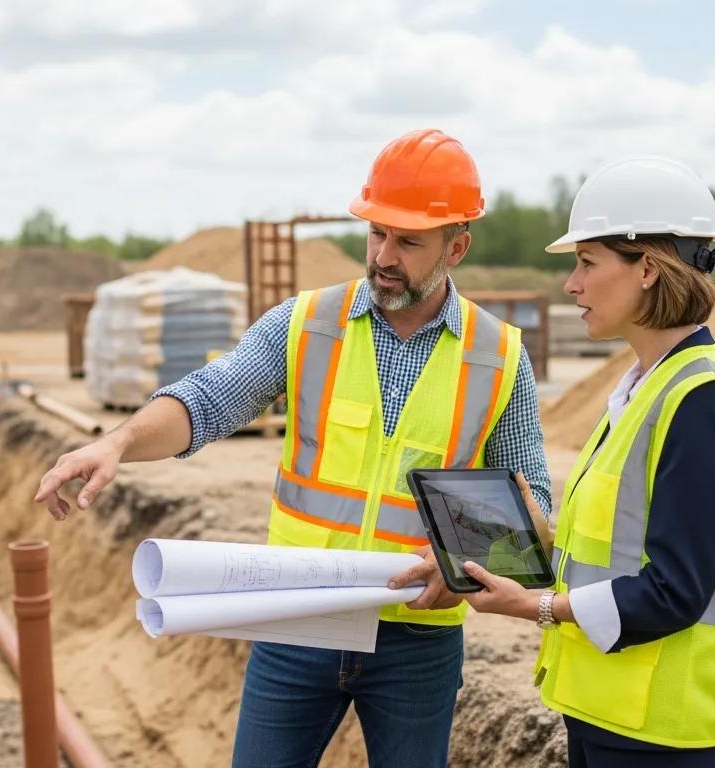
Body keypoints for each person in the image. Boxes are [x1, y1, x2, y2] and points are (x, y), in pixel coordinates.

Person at [33, 128, 551, 767]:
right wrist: (118, 443)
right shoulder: (307, 322)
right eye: (376, 233)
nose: (384, 255)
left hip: (418, 637)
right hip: (298, 617)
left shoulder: (500, 355)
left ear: (458, 246)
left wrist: (459, 570)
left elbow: (533, 502)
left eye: (408, 241)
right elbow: (211, 397)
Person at [460, 155, 715, 768]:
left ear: (647, 268)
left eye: (587, 262)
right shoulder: (645, 388)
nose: (571, 284)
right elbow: (619, 549)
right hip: (613, 712)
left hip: (665, 732)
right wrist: (538, 539)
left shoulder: (702, 405)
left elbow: (674, 591)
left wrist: (535, 605)